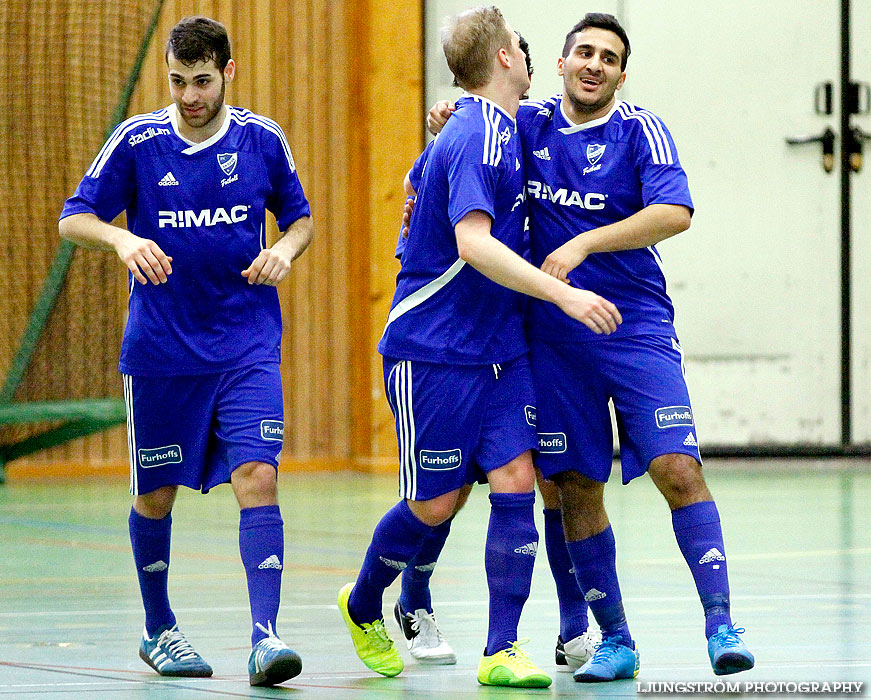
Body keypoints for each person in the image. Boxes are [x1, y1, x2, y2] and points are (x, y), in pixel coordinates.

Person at [427, 11, 755, 684]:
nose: (593, 64)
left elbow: (675, 213)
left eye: (607, 57)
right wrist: (449, 115)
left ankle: (720, 621)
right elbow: (477, 128)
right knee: (574, 484)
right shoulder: (526, 125)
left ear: (620, 74)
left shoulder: (640, 130)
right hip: (553, 336)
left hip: (633, 326)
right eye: (583, 52)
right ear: (560, 62)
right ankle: (613, 639)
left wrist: (582, 243)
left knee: (676, 468)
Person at [336, 5, 621, 688]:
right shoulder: (472, 134)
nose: (528, 57)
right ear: (503, 59)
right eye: (521, 48)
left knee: (517, 482)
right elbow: (470, 242)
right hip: (433, 348)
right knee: (435, 504)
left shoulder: (504, 127)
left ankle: (501, 648)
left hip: (502, 349)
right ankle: (361, 600)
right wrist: (566, 294)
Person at [58, 16, 313, 688]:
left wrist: (283, 250)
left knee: (258, 475)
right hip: (163, 352)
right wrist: (120, 241)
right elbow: (73, 215)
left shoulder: (261, 140)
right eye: (177, 81)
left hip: (245, 343)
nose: (189, 95)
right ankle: (158, 628)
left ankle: (265, 638)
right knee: (155, 494)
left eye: (201, 81)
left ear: (228, 72)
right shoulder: (138, 142)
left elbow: (301, 217)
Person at [392, 33, 600, 674]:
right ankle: (409, 593)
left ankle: (567, 626)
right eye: (527, 54)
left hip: (527, 332)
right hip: (465, 332)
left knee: (547, 478)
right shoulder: (480, 130)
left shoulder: (537, 128)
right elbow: (445, 215)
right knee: (446, 490)